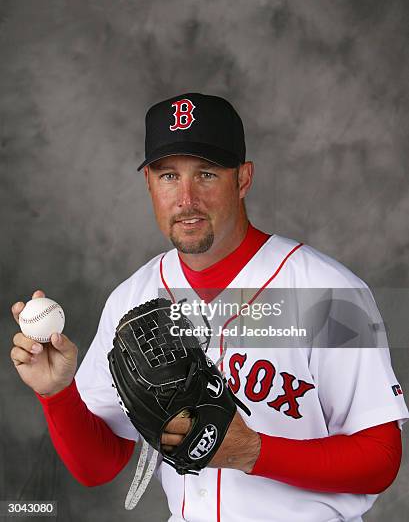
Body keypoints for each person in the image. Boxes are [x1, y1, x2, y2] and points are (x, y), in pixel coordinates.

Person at [10, 92, 408, 522]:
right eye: (167, 176)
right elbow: (98, 466)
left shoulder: (328, 292)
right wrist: (57, 394)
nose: (186, 198)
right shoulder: (133, 298)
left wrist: (252, 452)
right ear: (148, 183)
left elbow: (381, 459)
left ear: (243, 179)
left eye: (206, 173)